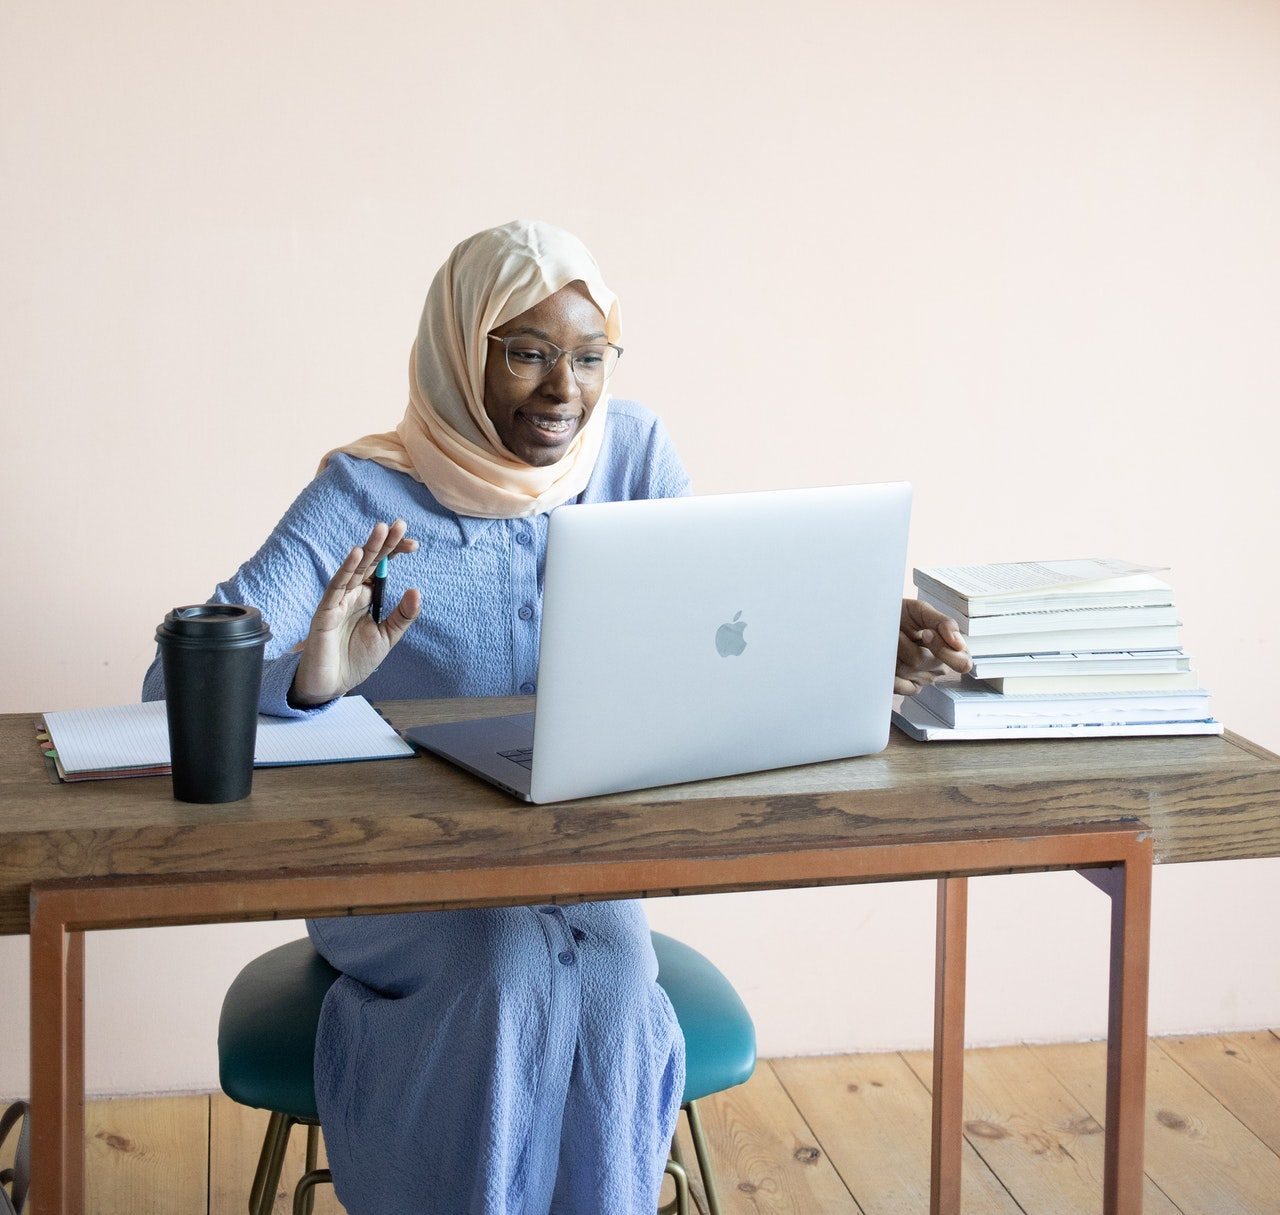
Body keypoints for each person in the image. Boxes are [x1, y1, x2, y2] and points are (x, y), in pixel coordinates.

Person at [143, 219, 970, 1214]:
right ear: (459, 352)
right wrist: (308, 680)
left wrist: (855, 641)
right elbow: (169, 690)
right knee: (501, 967)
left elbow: (719, 619)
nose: (562, 389)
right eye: (526, 353)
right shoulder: (363, 492)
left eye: (586, 356)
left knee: (615, 972)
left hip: (582, 859)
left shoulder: (629, 453)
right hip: (394, 874)